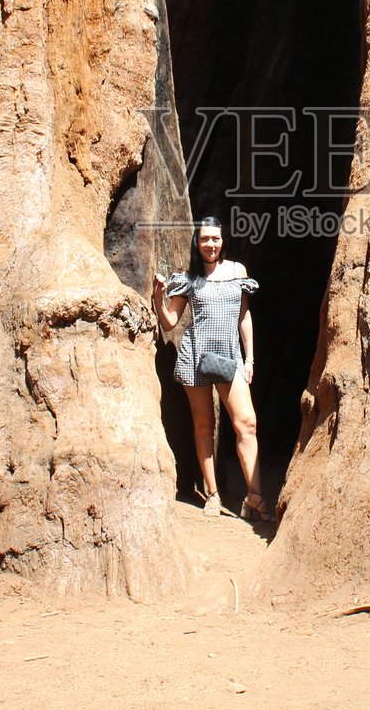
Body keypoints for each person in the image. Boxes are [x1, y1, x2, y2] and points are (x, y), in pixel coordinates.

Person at [151, 216, 272, 522]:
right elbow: (170, 323)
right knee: (204, 426)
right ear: (197, 242)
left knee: (247, 424)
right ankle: (212, 494)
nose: (210, 244)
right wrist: (157, 297)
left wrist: (250, 359)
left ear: (223, 240)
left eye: (215, 239)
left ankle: (254, 497)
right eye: (205, 239)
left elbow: (244, 317)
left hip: (230, 358)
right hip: (195, 358)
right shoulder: (188, 278)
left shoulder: (237, 272)